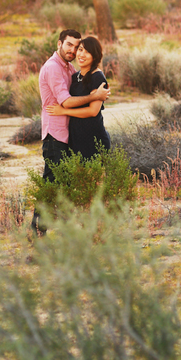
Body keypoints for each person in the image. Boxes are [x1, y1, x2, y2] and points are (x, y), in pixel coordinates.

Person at [31, 30, 111, 236]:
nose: (74, 51)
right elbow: (66, 101)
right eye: (70, 45)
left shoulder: (71, 69)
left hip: (72, 137)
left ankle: (81, 229)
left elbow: (89, 102)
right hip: (55, 135)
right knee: (51, 184)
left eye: (78, 47)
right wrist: (96, 95)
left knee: (67, 185)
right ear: (59, 44)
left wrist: (98, 95)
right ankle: (37, 231)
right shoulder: (53, 68)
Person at [45, 36, 111, 160]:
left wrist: (64, 111)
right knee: (78, 178)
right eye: (80, 50)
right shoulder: (75, 76)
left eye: (87, 52)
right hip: (75, 137)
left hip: (93, 137)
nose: (82, 54)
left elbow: (93, 111)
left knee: (94, 177)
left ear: (95, 56)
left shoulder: (97, 77)